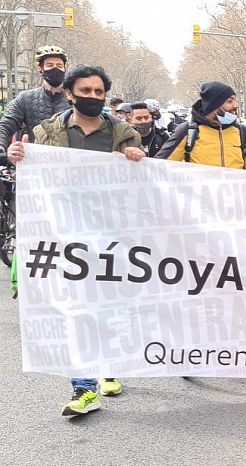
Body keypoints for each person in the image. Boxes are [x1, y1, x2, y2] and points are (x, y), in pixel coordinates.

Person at [5, 64, 144, 417]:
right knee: (76, 308)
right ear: (70, 93)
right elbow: (34, 173)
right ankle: (83, 387)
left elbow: (142, 183)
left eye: (99, 92)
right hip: (65, 233)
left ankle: (110, 366)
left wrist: (135, 159)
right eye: (86, 91)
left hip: (111, 235)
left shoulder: (124, 133)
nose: (93, 97)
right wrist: (18, 157)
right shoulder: (46, 132)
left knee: (109, 306)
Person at [156, 81, 246, 170]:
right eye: (229, 101)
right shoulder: (187, 131)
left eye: (235, 100)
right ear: (213, 106)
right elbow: (158, 167)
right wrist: (140, 158)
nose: (236, 105)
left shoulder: (242, 132)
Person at [0, 45, 71, 154]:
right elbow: (7, 123)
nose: (55, 68)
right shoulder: (25, 98)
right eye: (50, 65)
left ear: (64, 68)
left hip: (69, 163)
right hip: (36, 162)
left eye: (59, 65)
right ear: (40, 68)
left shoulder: (74, 98)